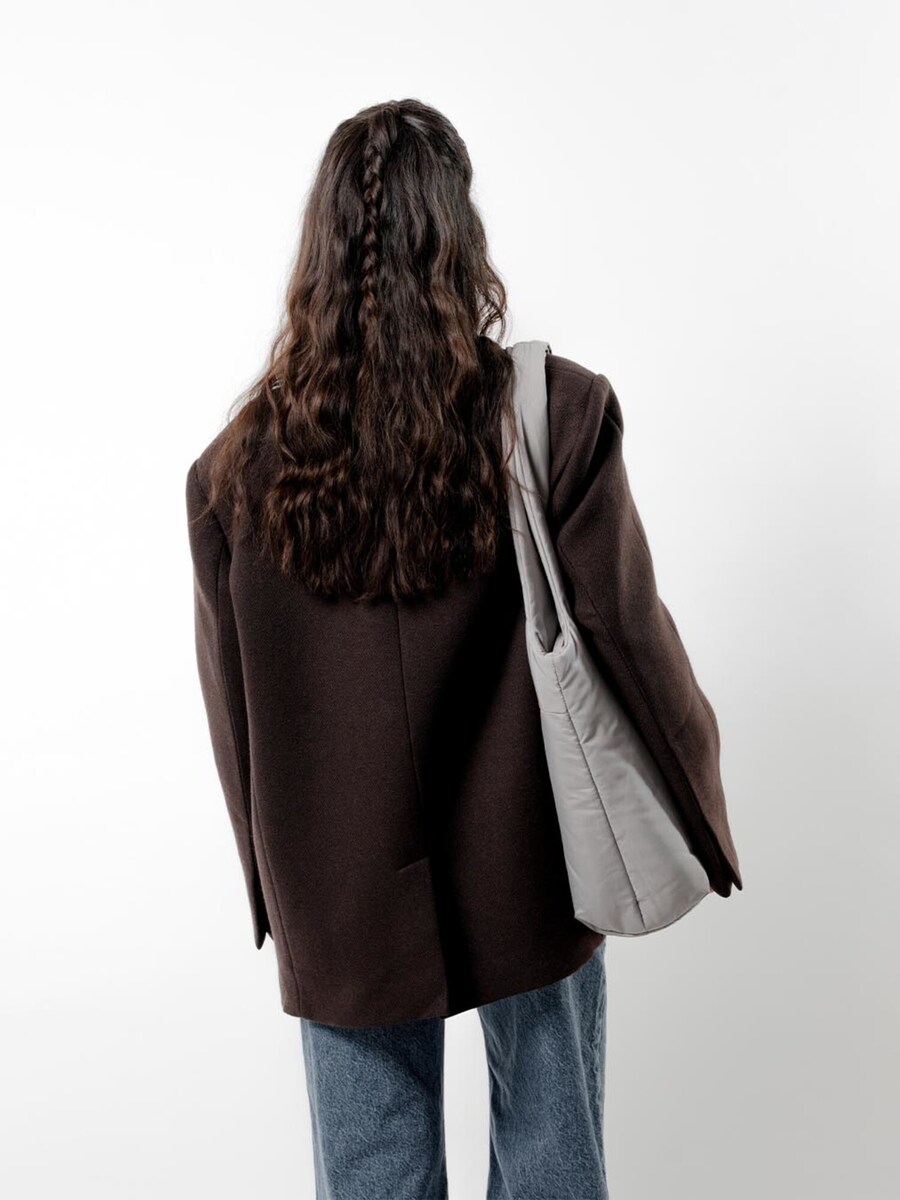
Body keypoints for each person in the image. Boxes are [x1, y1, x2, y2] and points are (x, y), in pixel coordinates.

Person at [185, 97, 742, 1200]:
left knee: (371, 1177)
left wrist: (270, 890)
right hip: (530, 856)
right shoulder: (553, 415)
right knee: (553, 1160)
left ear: (320, 248)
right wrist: (701, 804)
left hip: (336, 882)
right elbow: (627, 631)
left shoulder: (234, 470)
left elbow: (232, 705)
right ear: (461, 236)